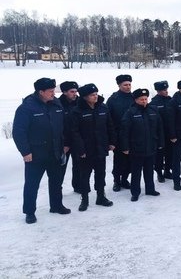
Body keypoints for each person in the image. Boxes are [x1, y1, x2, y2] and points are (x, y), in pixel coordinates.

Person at [13, 78, 71, 224]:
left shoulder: (56, 104)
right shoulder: (27, 108)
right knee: (32, 184)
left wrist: (65, 144)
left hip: (55, 151)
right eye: (51, 91)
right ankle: (29, 212)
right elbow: (19, 132)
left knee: (56, 182)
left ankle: (56, 206)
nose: (54, 93)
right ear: (41, 92)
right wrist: (25, 152)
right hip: (35, 154)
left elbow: (64, 126)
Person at [70, 83, 115, 211]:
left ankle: (101, 197)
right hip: (86, 150)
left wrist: (112, 142)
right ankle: (84, 199)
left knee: (100, 174)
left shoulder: (103, 108)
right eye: (92, 95)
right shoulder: (77, 111)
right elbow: (74, 132)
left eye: (96, 94)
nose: (95, 97)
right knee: (85, 176)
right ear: (84, 97)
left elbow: (110, 126)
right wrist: (80, 149)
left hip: (101, 147)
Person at [120, 88, 164, 202]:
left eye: (146, 99)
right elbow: (124, 131)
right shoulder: (130, 112)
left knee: (149, 170)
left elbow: (159, 128)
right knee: (136, 172)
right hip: (136, 148)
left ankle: (150, 189)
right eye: (141, 99)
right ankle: (135, 192)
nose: (144, 101)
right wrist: (125, 147)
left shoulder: (153, 110)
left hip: (151, 146)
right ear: (136, 100)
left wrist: (160, 142)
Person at [106, 74, 134, 192]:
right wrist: (111, 138)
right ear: (119, 85)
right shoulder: (113, 99)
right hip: (118, 134)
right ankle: (116, 181)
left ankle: (125, 179)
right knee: (119, 160)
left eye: (129, 84)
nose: (128, 87)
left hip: (133, 135)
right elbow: (108, 120)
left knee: (130, 160)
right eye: (125, 85)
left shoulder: (134, 97)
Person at [58, 81, 80, 193]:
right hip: (63, 142)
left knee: (78, 165)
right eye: (72, 91)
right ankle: (57, 188)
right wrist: (64, 143)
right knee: (60, 167)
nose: (75, 94)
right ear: (65, 92)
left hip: (77, 140)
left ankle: (77, 186)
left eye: (76, 91)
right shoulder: (57, 104)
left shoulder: (80, 102)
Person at [150, 81, 173, 183]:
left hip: (170, 133)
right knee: (159, 155)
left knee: (170, 154)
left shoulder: (170, 100)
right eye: (164, 90)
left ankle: (167, 171)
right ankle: (159, 173)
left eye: (166, 89)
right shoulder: (154, 103)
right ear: (158, 91)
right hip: (159, 134)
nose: (166, 92)